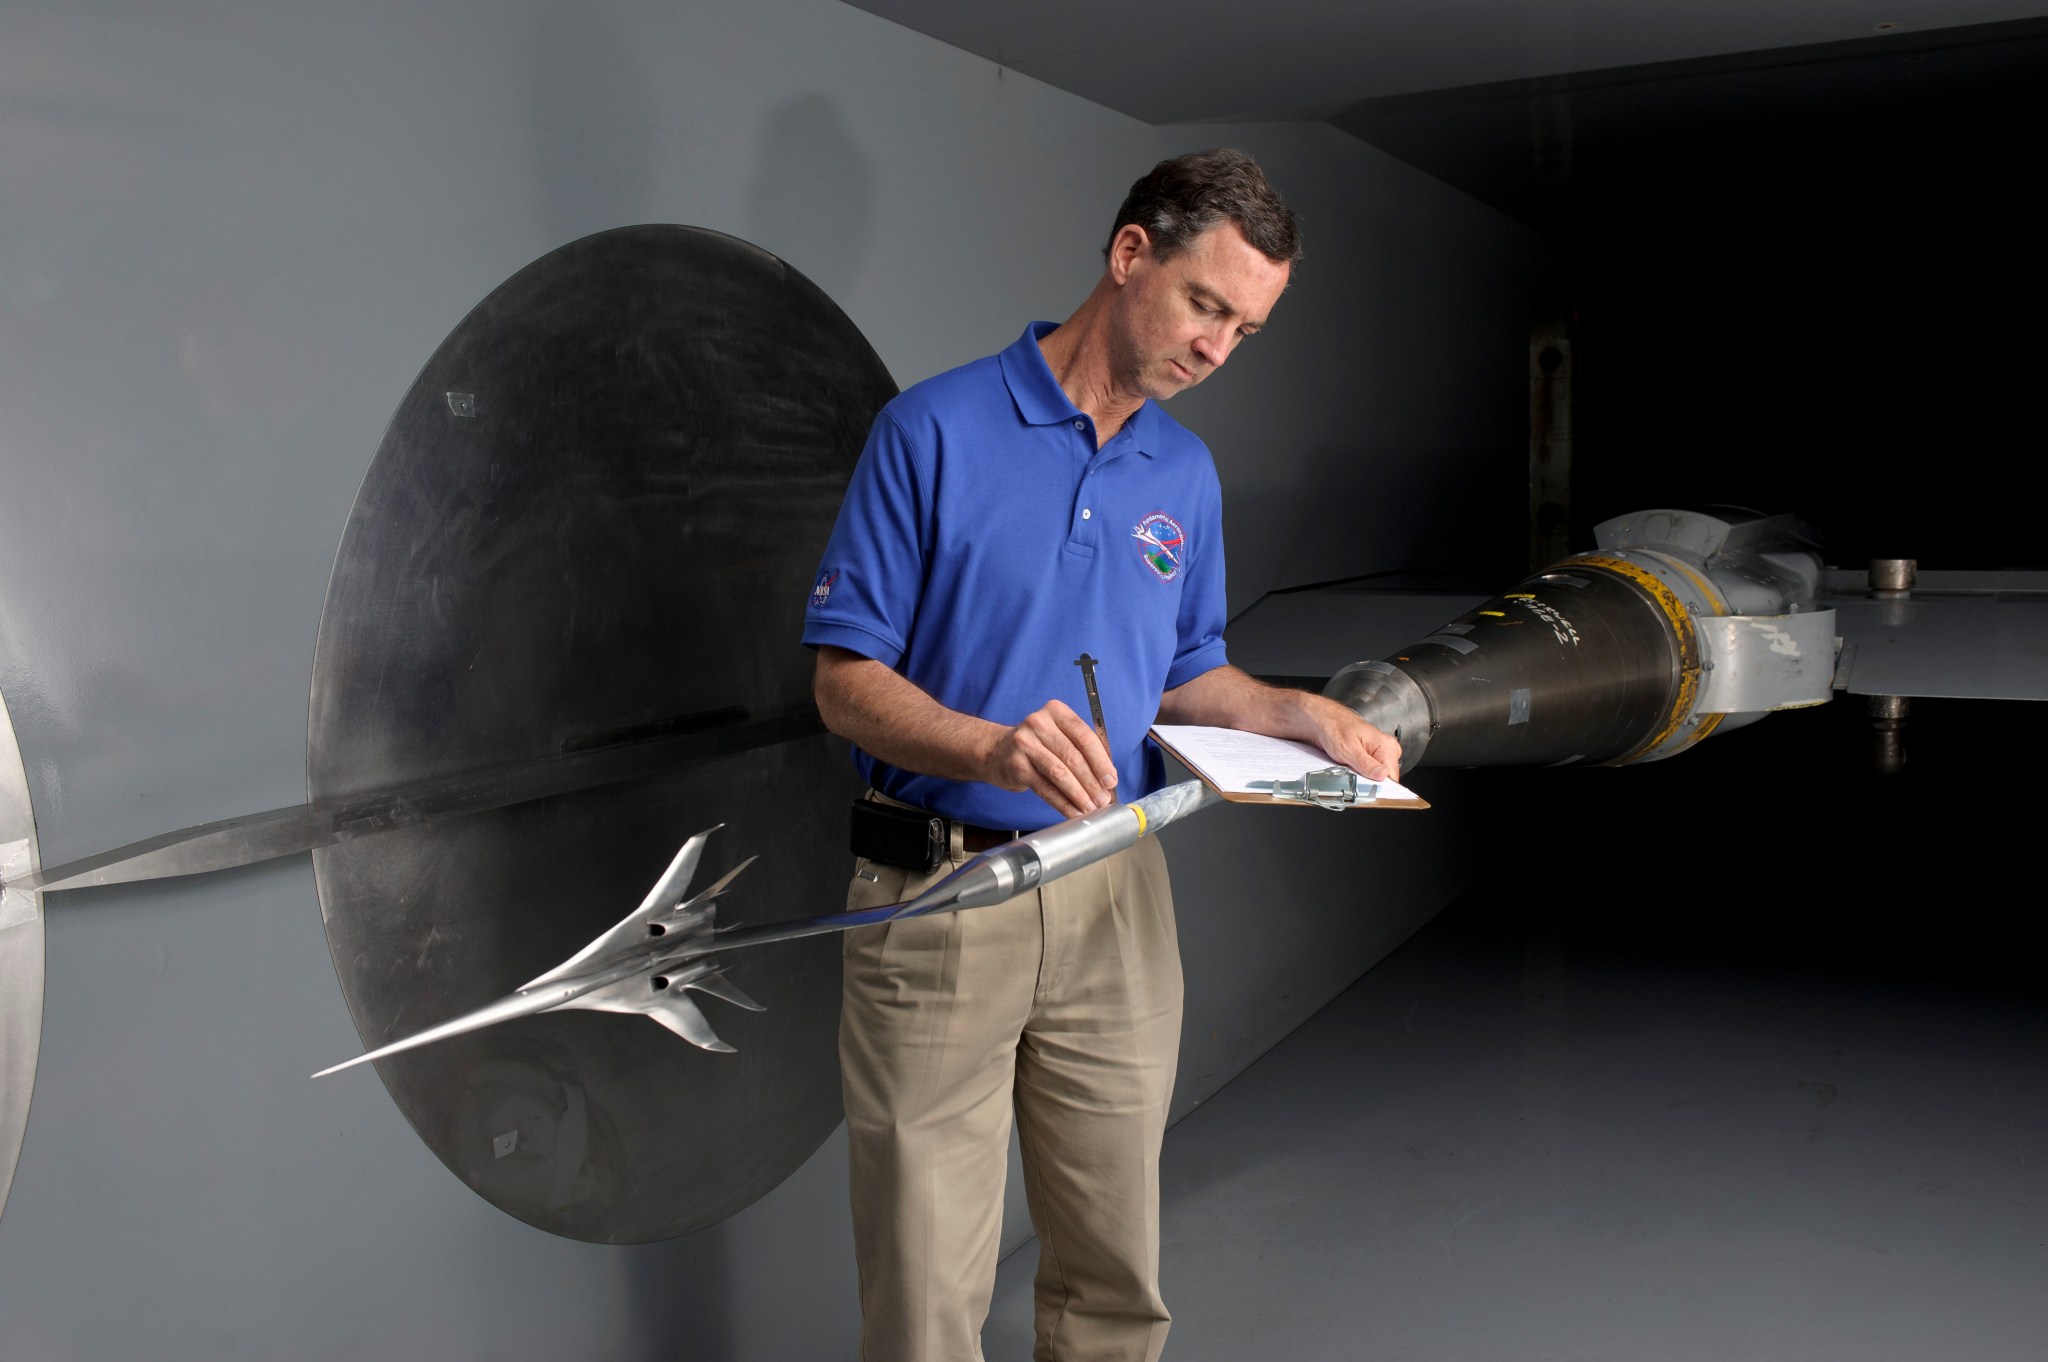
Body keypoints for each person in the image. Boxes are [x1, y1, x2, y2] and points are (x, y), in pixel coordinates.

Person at [802, 148, 1402, 1362]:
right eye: (1205, 305)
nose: (1217, 350)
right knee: (925, 1296)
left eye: (1246, 328)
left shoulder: (1179, 470)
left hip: (1116, 890)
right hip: (938, 894)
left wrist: (1295, 712)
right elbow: (841, 684)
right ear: (1130, 255)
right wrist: (990, 743)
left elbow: (1187, 671)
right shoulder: (930, 431)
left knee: (1114, 1272)